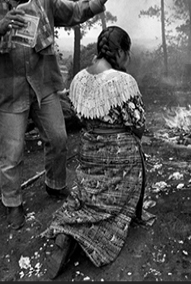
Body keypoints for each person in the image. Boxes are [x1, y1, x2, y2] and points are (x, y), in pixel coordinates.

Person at [0, 0, 124, 230]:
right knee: (11, 153)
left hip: (42, 85)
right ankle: (12, 203)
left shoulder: (43, 0)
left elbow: (76, 11)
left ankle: (54, 184)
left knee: (59, 138)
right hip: (7, 92)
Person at [40, 26, 155, 279]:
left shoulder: (79, 78)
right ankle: (96, 235)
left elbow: (79, 116)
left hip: (89, 151)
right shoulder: (124, 82)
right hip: (119, 154)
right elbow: (138, 125)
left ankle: (67, 230)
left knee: (86, 192)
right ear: (122, 52)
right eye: (129, 52)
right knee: (135, 162)